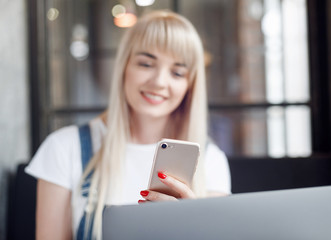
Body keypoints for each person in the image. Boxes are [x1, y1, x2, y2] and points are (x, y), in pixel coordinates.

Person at [25, 10, 231, 240]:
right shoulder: (64, 148)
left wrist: (192, 221)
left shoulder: (210, 161)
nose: (159, 82)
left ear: (190, 85)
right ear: (124, 68)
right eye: (146, 64)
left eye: (177, 72)